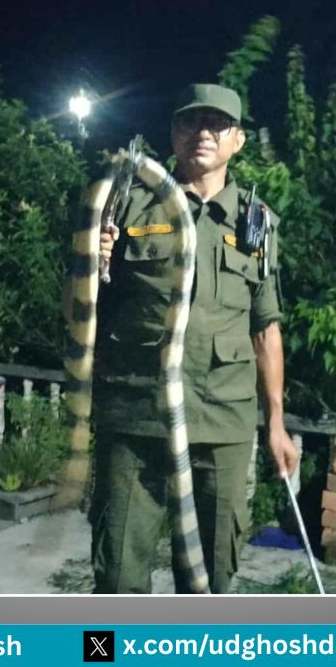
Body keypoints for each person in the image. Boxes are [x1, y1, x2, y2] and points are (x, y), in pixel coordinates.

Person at [79, 83, 299, 593]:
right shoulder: (127, 204)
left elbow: (266, 327)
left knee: (210, 578)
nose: (203, 133)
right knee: (117, 575)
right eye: (190, 122)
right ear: (173, 133)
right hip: (138, 417)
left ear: (237, 141)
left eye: (218, 125)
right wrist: (94, 260)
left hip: (221, 423)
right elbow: (81, 304)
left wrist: (276, 424)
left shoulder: (256, 222)